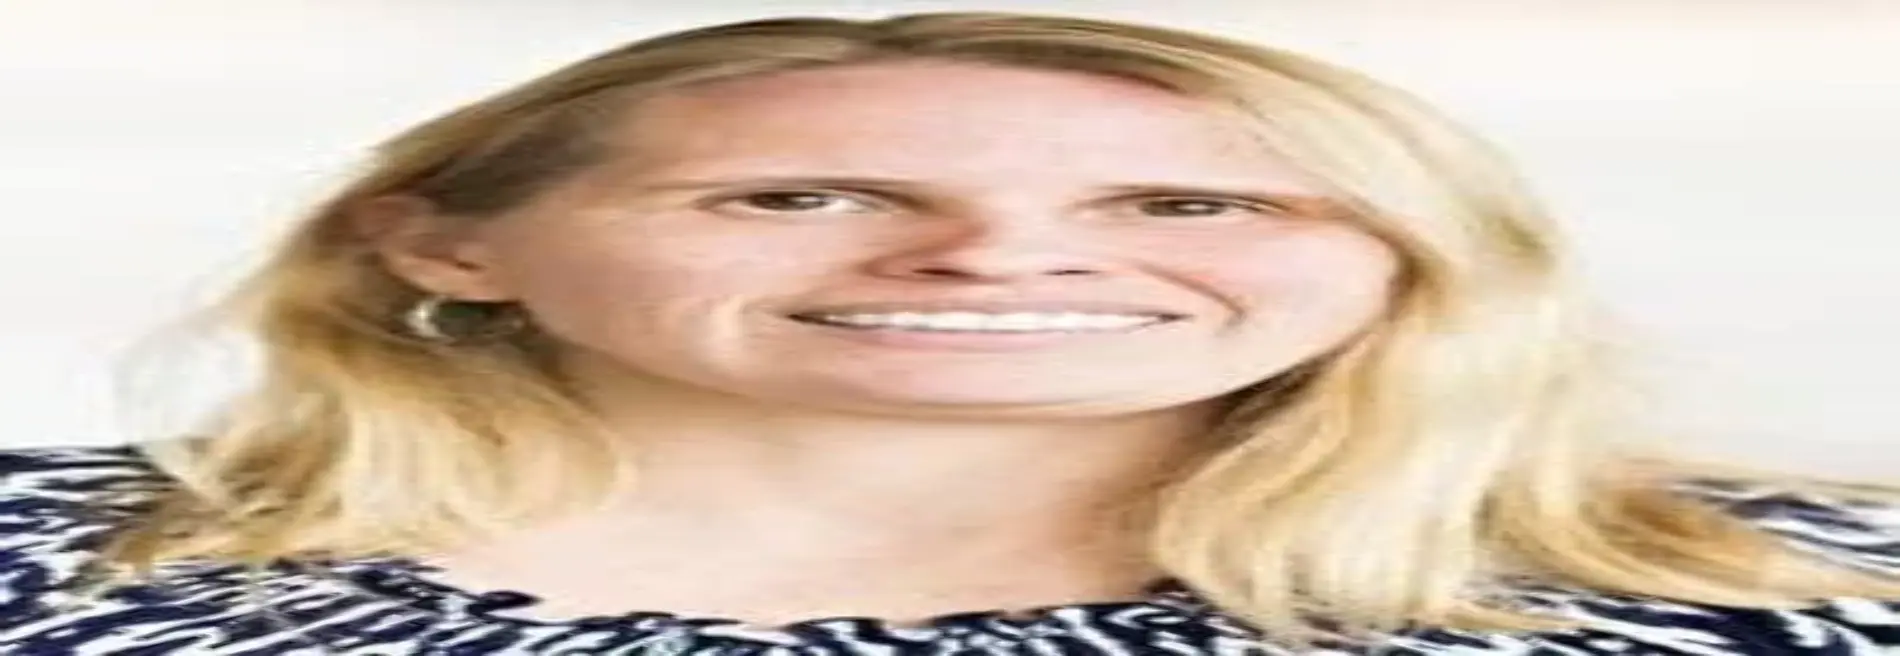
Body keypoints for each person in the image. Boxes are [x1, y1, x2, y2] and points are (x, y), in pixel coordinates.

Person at [3, 11, 1897, 655]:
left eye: (1187, 205)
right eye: (798, 197)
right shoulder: (44, 566)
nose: (989, 261)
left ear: (1412, 258)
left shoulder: (1797, 602)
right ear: (444, 240)